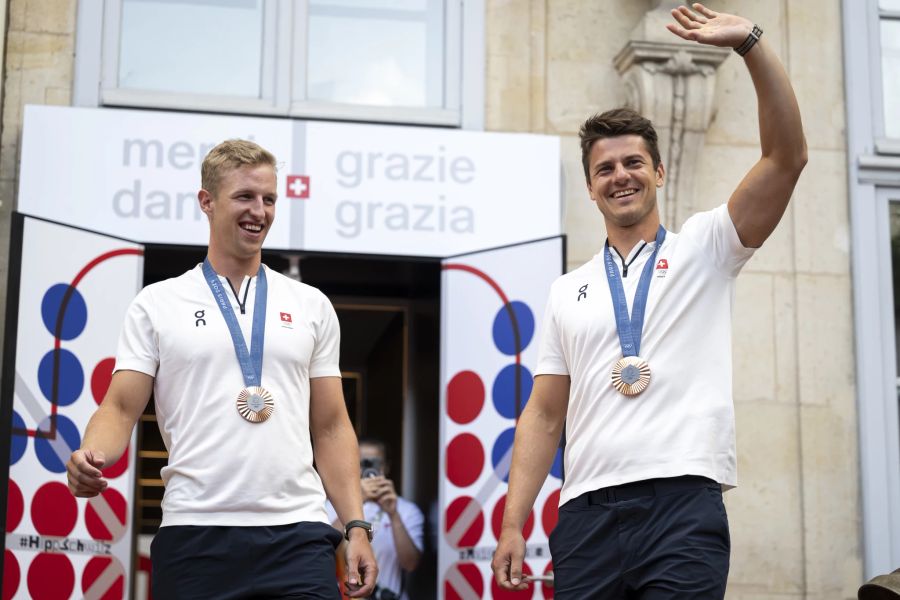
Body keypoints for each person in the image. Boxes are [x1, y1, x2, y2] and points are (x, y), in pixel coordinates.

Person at [492, 4, 806, 599]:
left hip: (681, 505)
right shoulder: (568, 289)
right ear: (589, 187)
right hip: (585, 513)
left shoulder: (707, 248)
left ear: (658, 172)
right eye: (605, 168)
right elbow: (543, 414)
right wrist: (514, 521)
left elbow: (786, 158)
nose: (621, 175)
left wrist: (752, 45)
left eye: (634, 161)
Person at [65, 139, 378, 599]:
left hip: (297, 534)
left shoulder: (311, 305)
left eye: (269, 198)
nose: (261, 211)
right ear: (207, 202)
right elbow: (119, 407)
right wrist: (91, 454)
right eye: (246, 197)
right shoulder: (157, 303)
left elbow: (331, 427)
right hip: (196, 533)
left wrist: (355, 526)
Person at [326, 438, 424, 600]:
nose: (368, 469)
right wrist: (357, 500)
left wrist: (393, 514)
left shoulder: (406, 510)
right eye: (363, 462)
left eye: (374, 463)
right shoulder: (331, 506)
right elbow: (323, 549)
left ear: (385, 467)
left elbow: (411, 563)